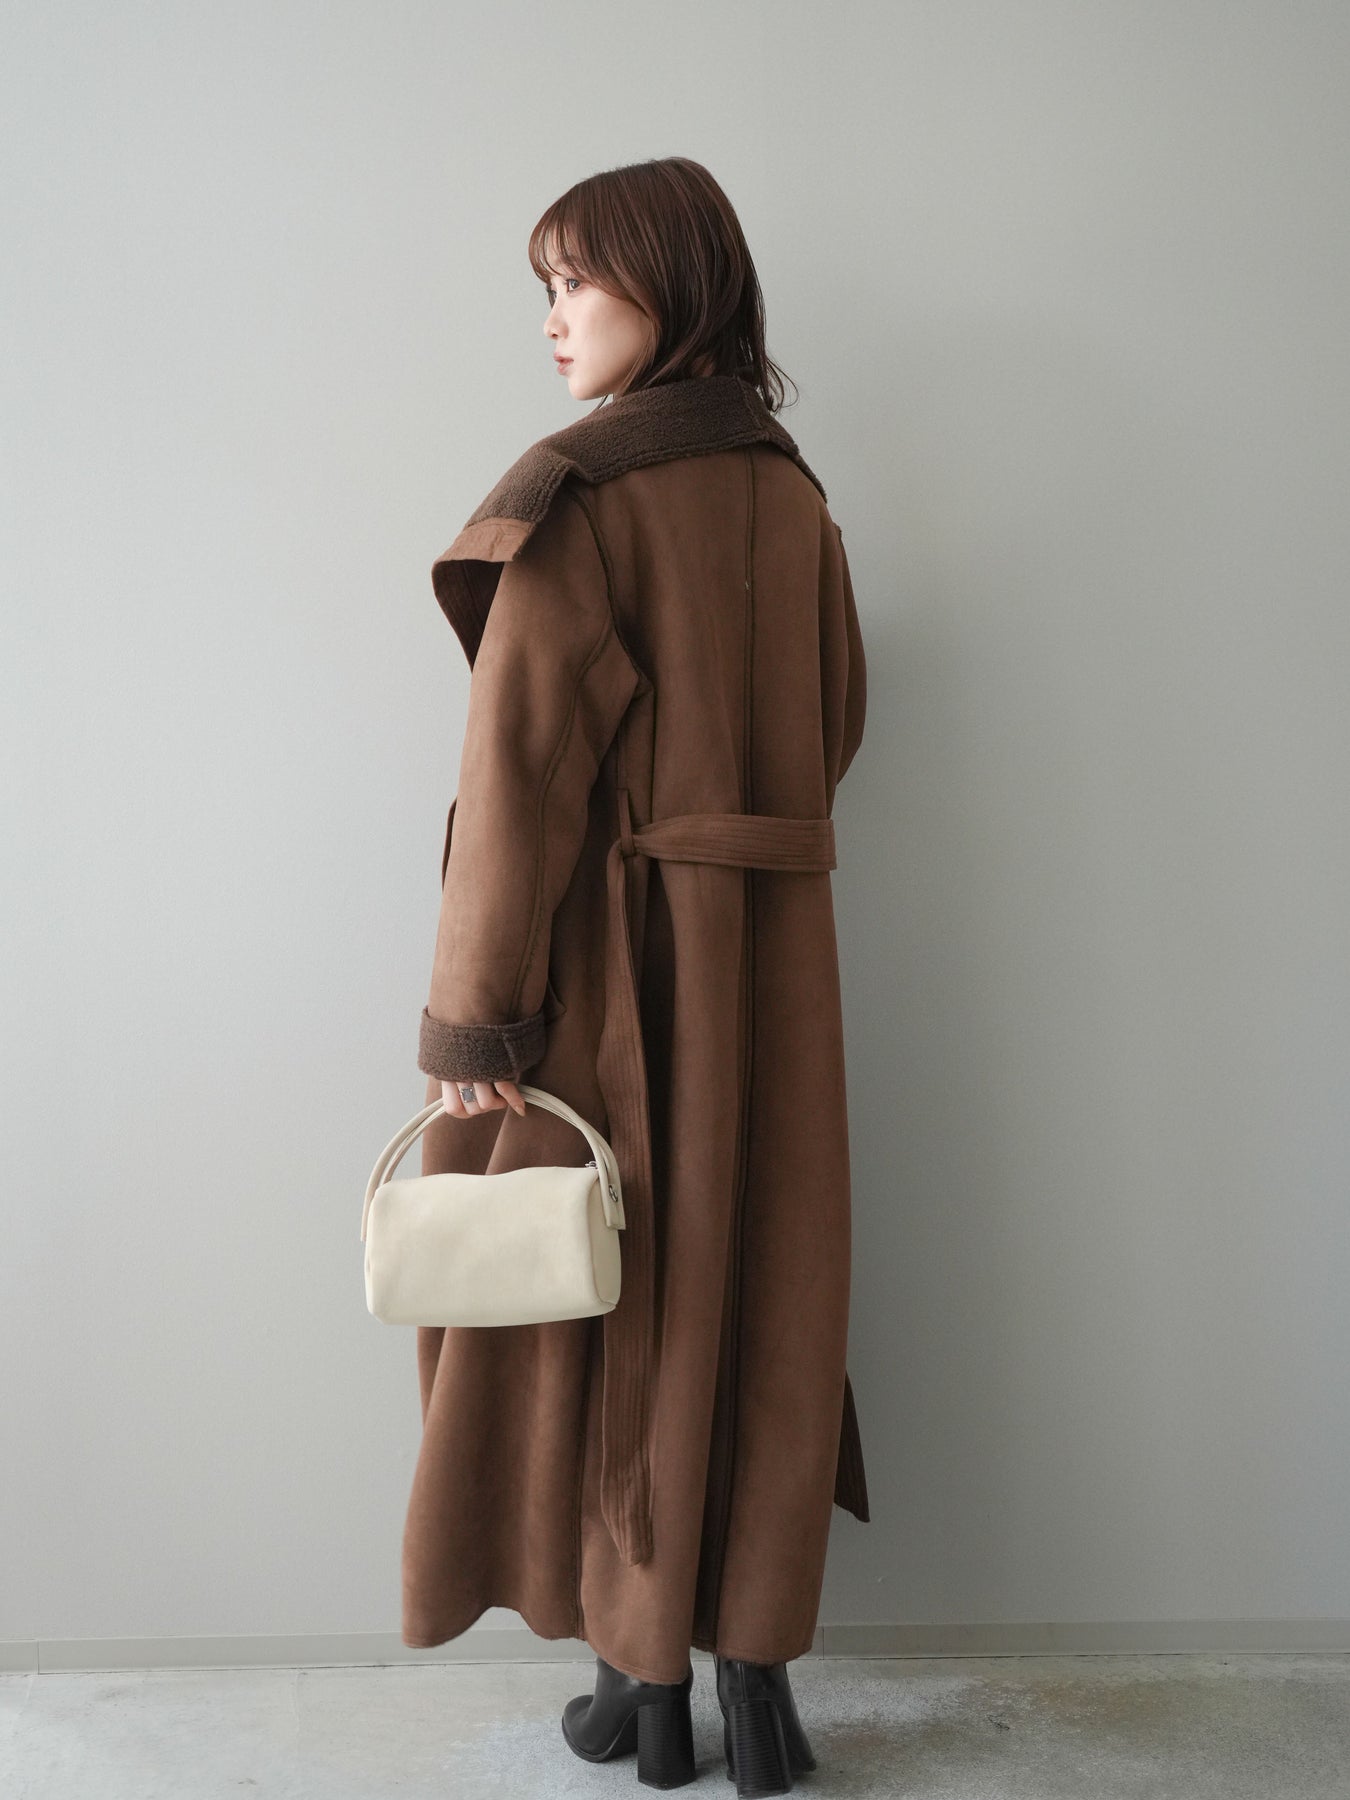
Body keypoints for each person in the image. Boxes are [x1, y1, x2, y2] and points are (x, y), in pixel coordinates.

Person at [401, 156, 869, 1795]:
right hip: (780, 971)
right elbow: (835, 727)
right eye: (544, 290)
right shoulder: (794, 500)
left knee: (613, 1309)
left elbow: (518, 777)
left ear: (670, 284)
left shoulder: (578, 497)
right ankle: (758, 1693)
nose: (551, 321)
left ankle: (641, 1692)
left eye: (575, 282)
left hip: (612, 976)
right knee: (766, 1303)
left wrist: (473, 1018)